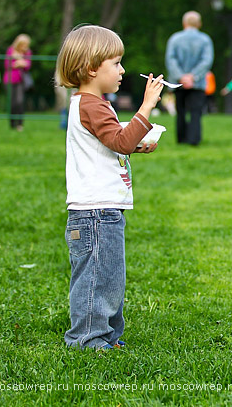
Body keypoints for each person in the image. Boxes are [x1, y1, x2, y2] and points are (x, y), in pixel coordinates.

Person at [55, 24, 165, 349]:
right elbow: (118, 140)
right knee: (97, 279)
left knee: (110, 277)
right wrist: (146, 107)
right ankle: (87, 340)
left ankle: (108, 336)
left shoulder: (90, 104)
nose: (123, 70)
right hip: (95, 213)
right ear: (91, 67)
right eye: (116, 63)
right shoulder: (92, 105)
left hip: (101, 211)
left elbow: (115, 143)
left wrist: (138, 144)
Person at [165, 10, 214, 145]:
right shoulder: (205, 40)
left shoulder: (174, 39)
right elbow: (206, 60)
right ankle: (194, 139)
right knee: (196, 112)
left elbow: (171, 60)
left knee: (180, 111)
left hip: (178, 83)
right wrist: (193, 76)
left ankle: (181, 139)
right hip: (197, 84)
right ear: (199, 23)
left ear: (184, 23)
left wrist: (181, 76)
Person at [3, 33, 32, 130]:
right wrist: (19, 63)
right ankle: (12, 124)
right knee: (12, 103)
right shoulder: (10, 50)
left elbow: (27, 66)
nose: (25, 47)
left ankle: (20, 124)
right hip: (10, 80)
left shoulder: (27, 52)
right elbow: (7, 65)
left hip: (21, 80)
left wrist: (18, 60)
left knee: (19, 101)